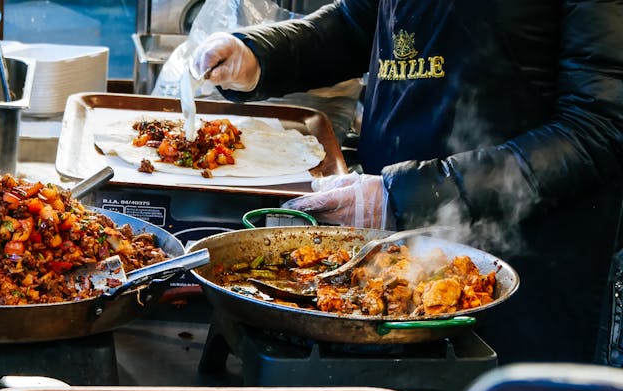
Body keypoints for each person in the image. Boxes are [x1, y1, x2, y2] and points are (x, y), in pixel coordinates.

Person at [190, 0, 623, 365]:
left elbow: (599, 127)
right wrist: (260, 55)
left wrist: (411, 195)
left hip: (527, 271)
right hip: (392, 243)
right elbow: (358, 23)